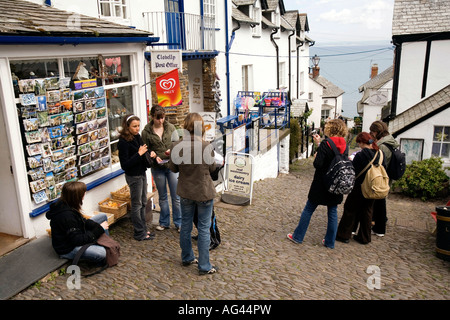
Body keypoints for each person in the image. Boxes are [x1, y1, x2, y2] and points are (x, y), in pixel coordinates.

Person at [287, 119, 349, 249]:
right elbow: (336, 157)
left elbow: (318, 164)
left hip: (321, 183)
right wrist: (319, 143)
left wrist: (317, 153)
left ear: (330, 129)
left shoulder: (326, 144)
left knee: (309, 209)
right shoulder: (345, 144)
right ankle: (330, 242)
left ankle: (298, 236)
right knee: (332, 211)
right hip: (336, 182)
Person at [169, 112, 218, 275]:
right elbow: (212, 169)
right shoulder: (206, 146)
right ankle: (204, 266)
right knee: (204, 228)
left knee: (186, 226)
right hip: (203, 192)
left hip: (185, 191)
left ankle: (187, 257)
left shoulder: (176, 145)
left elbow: (173, 168)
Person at [336, 132, 385, 244]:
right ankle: (365, 237)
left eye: (359, 143)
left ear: (362, 142)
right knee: (367, 211)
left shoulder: (361, 155)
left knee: (350, 209)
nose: (359, 145)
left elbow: (354, 170)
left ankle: (344, 235)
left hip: (360, 186)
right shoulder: (380, 154)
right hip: (373, 186)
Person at [46, 181, 108, 264]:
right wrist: (99, 229)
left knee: (102, 217)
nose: (84, 194)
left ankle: (105, 243)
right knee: (101, 253)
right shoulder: (67, 216)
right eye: (83, 193)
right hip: (68, 249)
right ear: (77, 196)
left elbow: (82, 220)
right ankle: (102, 251)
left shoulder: (67, 204)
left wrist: (95, 226)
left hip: (77, 235)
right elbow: (77, 240)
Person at [142, 106, 181, 232]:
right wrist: (153, 155)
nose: (161, 121)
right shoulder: (146, 131)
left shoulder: (170, 127)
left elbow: (177, 142)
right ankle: (164, 222)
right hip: (157, 167)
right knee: (163, 196)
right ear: (152, 117)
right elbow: (145, 149)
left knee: (176, 196)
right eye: (158, 118)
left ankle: (179, 222)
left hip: (171, 165)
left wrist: (172, 149)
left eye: (163, 117)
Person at [118, 114, 154, 241]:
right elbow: (125, 165)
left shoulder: (137, 137)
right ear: (127, 126)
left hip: (142, 173)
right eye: (134, 126)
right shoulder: (122, 142)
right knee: (137, 204)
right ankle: (139, 232)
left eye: (138, 126)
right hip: (133, 176)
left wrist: (151, 154)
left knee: (143, 202)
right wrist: (139, 154)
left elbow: (144, 151)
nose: (137, 129)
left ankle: (143, 229)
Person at [369, 120, 399, 237]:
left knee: (379, 202)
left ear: (376, 132)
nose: (371, 135)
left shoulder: (382, 145)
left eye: (372, 132)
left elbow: (379, 162)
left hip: (381, 177)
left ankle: (379, 227)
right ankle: (378, 223)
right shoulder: (390, 140)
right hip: (386, 176)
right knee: (380, 201)